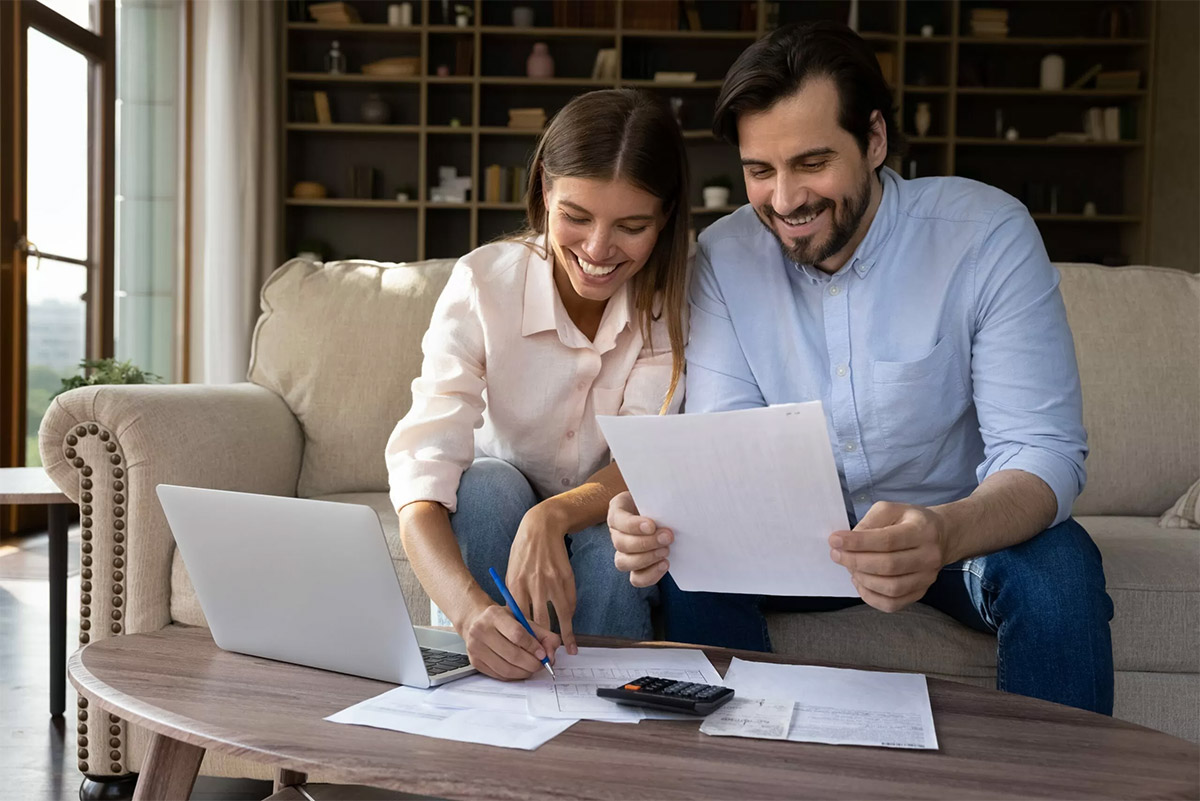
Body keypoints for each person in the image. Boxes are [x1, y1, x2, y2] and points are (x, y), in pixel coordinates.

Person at [606, 22, 1115, 715]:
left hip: (954, 538)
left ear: (874, 139)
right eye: (761, 170)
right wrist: (668, 510)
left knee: (1061, 568)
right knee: (688, 571)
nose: (785, 201)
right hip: (790, 547)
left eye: (812, 163)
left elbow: (1044, 452)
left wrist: (942, 533)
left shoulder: (987, 235)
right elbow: (725, 442)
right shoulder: (723, 258)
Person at [387, 89, 690, 681]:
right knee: (485, 488)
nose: (598, 251)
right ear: (545, 190)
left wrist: (551, 517)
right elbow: (422, 477)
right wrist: (469, 611)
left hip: (607, 508)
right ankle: (486, 691)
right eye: (576, 217)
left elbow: (643, 455)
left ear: (665, 219)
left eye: (631, 227)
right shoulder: (483, 282)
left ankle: (608, 741)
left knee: (613, 551)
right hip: (496, 506)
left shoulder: (673, 301)